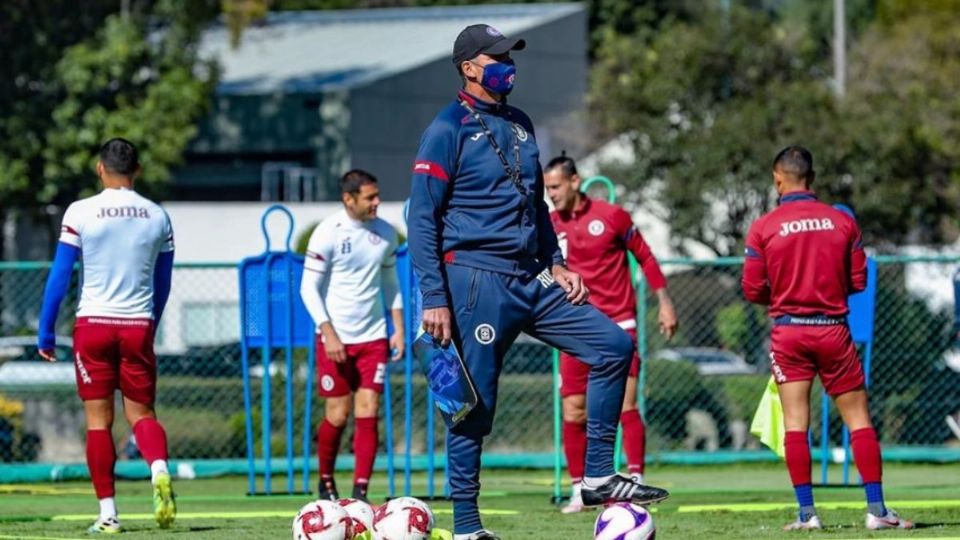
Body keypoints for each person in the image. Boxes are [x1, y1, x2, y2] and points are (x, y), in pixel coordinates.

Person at [407, 24, 669, 540]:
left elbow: (536, 208)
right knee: (472, 407)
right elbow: (422, 218)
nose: (510, 65)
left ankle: (596, 475)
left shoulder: (523, 125)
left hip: (533, 277)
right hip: (475, 280)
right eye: (498, 56)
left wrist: (559, 262)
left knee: (614, 345)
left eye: (511, 55)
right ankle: (466, 527)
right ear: (469, 67)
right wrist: (434, 296)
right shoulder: (446, 127)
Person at [742, 146, 913, 531]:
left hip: (789, 332)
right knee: (858, 420)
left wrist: (788, 296)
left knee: (795, 424)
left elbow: (752, 289)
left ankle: (808, 515)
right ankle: (877, 510)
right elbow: (858, 281)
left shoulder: (764, 226)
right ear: (812, 179)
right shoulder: (841, 222)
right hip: (833, 329)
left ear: (777, 177)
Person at [37, 138, 176, 534]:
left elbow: (61, 275)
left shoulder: (80, 211)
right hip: (138, 325)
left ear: (100, 168)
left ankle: (109, 515)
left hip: (93, 325)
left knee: (99, 422)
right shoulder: (157, 215)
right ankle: (160, 469)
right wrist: (151, 322)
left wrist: (46, 331)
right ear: (138, 170)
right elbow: (163, 281)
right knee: (143, 414)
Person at [545, 155, 678, 513]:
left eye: (555, 187)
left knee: (625, 405)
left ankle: (633, 481)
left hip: (619, 325)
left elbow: (647, 258)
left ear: (575, 181)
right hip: (573, 327)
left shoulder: (612, 216)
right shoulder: (549, 224)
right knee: (574, 411)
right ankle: (580, 489)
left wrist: (664, 302)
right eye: (547, 189)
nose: (551, 195)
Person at [300, 169, 404, 503]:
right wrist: (328, 333)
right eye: (370, 197)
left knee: (368, 408)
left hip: (373, 337)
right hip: (335, 338)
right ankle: (325, 481)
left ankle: (361, 492)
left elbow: (390, 284)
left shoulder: (387, 234)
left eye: (377, 195)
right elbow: (308, 289)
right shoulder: (327, 232)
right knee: (337, 414)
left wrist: (398, 327)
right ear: (349, 199)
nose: (377, 202)